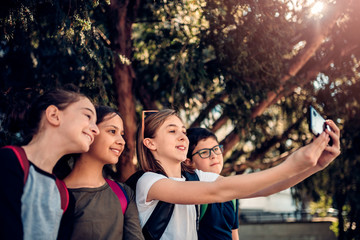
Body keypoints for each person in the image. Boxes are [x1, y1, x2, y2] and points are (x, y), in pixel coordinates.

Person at [134, 109, 340, 240]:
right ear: (150, 143)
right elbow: (218, 191)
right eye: (172, 131)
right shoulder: (150, 182)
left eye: (183, 130)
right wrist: (292, 163)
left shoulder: (195, 177)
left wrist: (316, 166)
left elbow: (262, 188)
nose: (182, 137)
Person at [0, 88, 100, 240]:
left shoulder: (65, 197)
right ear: (54, 115)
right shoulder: (8, 161)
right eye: (87, 116)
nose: (96, 130)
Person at [56, 106, 144, 240]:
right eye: (112, 131)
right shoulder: (54, 194)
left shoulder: (124, 193)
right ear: (88, 133)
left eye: (122, 134)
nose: (122, 141)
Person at [186, 127, 239, 240]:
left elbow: (233, 233)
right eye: (204, 152)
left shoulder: (232, 192)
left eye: (216, 149)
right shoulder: (190, 192)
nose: (214, 155)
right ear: (189, 162)